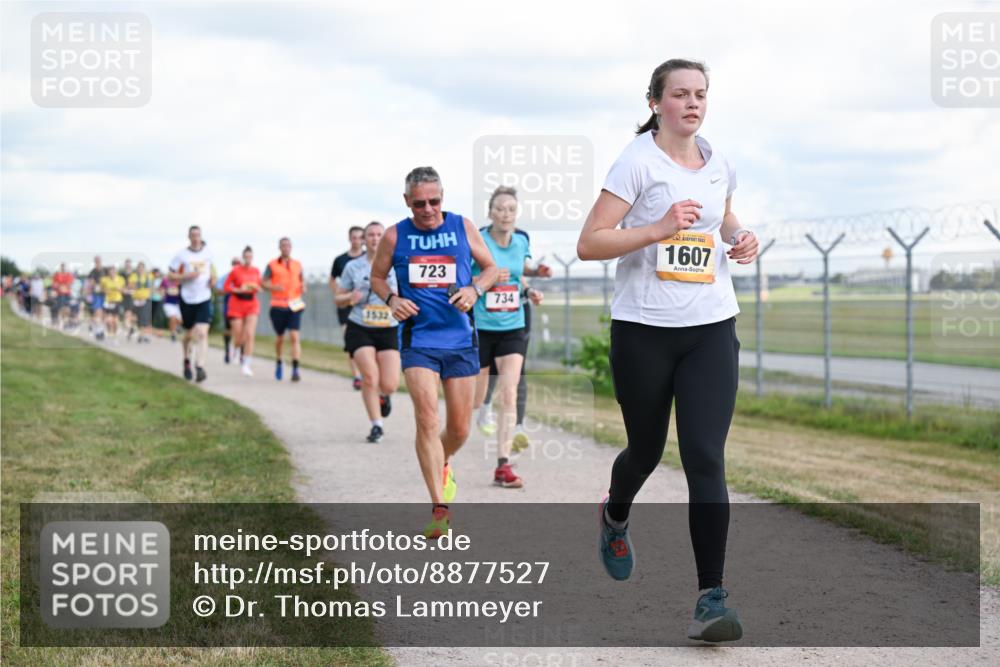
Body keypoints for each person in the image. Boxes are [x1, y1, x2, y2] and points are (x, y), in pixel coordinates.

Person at [576, 59, 759, 643]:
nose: (692, 102)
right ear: (656, 102)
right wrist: (655, 228)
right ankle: (616, 513)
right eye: (680, 94)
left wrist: (739, 236)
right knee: (647, 450)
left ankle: (712, 598)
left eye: (700, 94)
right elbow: (590, 243)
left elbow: (720, 216)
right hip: (644, 330)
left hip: (710, 327)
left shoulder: (719, 161)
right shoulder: (636, 162)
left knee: (705, 456)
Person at [370, 166, 499, 538]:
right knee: (426, 419)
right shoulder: (395, 235)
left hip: (460, 340)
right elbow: (377, 278)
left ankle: (441, 462)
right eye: (419, 204)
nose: (428, 210)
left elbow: (491, 268)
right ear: (407, 202)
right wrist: (392, 298)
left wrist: (474, 290)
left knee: (459, 428)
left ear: (443, 197)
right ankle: (439, 507)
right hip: (418, 341)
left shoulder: (462, 227)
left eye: (434, 201)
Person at [470, 186, 549, 489]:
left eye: (511, 209)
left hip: (512, 325)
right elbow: (464, 278)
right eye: (500, 208)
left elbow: (520, 273)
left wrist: (533, 282)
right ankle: (447, 449)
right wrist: (486, 279)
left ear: (516, 214)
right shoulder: (478, 239)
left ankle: (503, 464)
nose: (505, 214)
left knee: (509, 391)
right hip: (481, 326)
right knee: (475, 400)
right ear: (490, 212)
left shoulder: (522, 240)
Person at [335, 222, 400, 443]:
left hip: (388, 327)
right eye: (370, 235)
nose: (374, 238)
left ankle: (384, 396)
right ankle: (376, 425)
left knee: (390, 383)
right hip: (360, 326)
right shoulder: (353, 267)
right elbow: (339, 298)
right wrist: (348, 298)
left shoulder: (396, 265)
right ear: (364, 239)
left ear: (385, 238)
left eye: (379, 235)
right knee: (370, 376)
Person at [168, 225, 216, 382]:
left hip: (204, 297)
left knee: (202, 332)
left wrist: (213, 280)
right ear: (189, 237)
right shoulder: (182, 255)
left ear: (201, 236)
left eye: (198, 235)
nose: (196, 238)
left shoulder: (208, 253)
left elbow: (213, 271)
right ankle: (186, 360)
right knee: (189, 335)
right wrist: (186, 276)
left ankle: (200, 366)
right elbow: (170, 275)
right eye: (193, 235)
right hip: (187, 299)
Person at [262, 237, 306, 382]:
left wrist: (303, 287)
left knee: (294, 336)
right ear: (279, 248)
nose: (286, 248)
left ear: (291, 247)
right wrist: (273, 287)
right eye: (283, 245)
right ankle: (279, 360)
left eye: (288, 245)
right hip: (278, 306)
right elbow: (263, 283)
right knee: (280, 337)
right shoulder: (272, 265)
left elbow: (301, 280)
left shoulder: (297, 264)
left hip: (295, 305)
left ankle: (295, 369)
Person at [330, 226, 366, 389]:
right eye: (354, 237)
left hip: (366, 305)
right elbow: (332, 279)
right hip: (346, 304)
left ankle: (367, 372)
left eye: (360, 237)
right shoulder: (340, 260)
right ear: (349, 238)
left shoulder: (370, 258)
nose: (357, 240)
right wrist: (340, 294)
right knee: (350, 340)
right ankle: (356, 376)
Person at [223, 246, 262, 376]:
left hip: (251, 304)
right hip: (237, 304)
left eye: (250, 256)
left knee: (250, 334)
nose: (248, 259)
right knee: (239, 336)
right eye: (246, 256)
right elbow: (227, 286)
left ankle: (246, 364)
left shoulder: (256, 271)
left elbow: (258, 285)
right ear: (243, 257)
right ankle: (234, 347)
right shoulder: (235, 271)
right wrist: (238, 289)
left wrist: (256, 287)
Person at [218, 257, 240, 363]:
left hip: (241, 307)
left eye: (238, 263)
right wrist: (229, 290)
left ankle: (241, 353)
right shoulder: (226, 277)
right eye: (235, 263)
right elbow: (219, 290)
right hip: (229, 306)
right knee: (228, 330)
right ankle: (227, 351)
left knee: (241, 331)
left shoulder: (243, 276)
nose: (236, 265)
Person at [99, 265, 125, 341]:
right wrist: (104, 291)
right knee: (107, 319)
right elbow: (101, 289)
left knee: (115, 319)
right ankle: (109, 331)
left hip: (117, 300)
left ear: (116, 272)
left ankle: (115, 332)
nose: (112, 272)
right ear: (108, 272)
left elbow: (124, 290)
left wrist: (119, 289)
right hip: (107, 301)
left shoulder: (121, 279)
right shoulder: (104, 279)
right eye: (111, 271)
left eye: (114, 271)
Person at [131, 261, 155, 343]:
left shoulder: (149, 276)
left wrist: (150, 294)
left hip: (146, 299)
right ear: (137, 268)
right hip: (136, 300)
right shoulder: (134, 276)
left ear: (144, 268)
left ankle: (142, 336)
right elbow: (132, 286)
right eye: (139, 267)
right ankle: (138, 332)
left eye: (142, 268)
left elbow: (151, 286)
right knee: (137, 318)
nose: (140, 269)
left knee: (145, 318)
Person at [87, 257, 106, 340]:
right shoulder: (92, 272)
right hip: (96, 295)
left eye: (99, 261)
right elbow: (90, 282)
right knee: (98, 312)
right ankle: (99, 332)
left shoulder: (105, 271)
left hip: (105, 295)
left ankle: (99, 330)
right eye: (96, 261)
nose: (98, 263)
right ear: (95, 262)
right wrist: (95, 284)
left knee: (103, 314)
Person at [51, 263, 75, 329]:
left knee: (67, 308)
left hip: (67, 293)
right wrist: (59, 286)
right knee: (61, 308)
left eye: (64, 267)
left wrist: (64, 286)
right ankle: (62, 322)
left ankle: (65, 322)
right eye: (62, 267)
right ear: (61, 267)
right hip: (59, 294)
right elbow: (54, 283)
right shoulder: (57, 274)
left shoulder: (69, 275)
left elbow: (70, 283)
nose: (63, 268)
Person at [160, 272, 182, 342]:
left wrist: (177, 292)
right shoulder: (165, 280)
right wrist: (164, 293)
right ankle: (173, 334)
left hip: (178, 304)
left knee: (179, 320)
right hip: (168, 303)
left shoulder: (180, 281)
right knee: (172, 318)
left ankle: (177, 327)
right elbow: (161, 290)